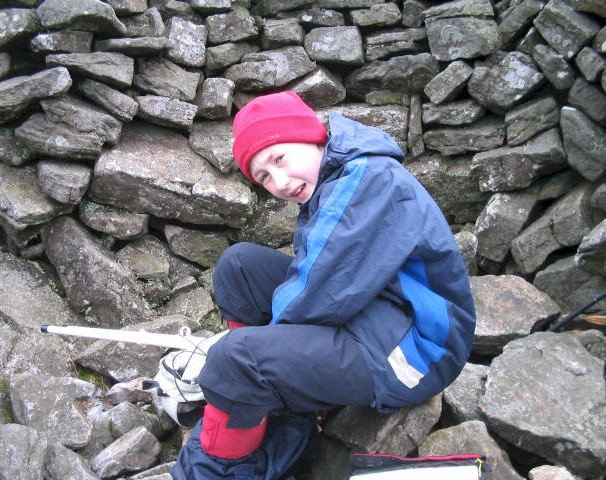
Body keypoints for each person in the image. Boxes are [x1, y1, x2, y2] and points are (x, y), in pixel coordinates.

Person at [171, 91, 476, 480]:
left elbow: (316, 291)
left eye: (279, 158)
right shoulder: (339, 175)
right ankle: (263, 403)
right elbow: (318, 280)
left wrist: (235, 363)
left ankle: (217, 469)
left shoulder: (367, 179)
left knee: (236, 361)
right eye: (263, 176)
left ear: (312, 136)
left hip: (418, 353)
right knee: (240, 266)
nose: (279, 181)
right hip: (380, 315)